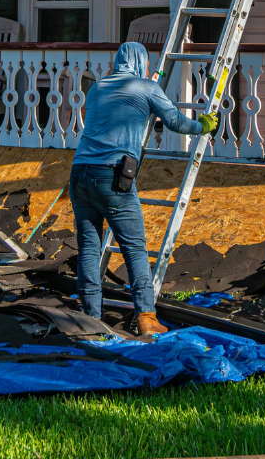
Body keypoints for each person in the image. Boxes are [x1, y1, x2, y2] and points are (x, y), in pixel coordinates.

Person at [69, 42, 218, 334]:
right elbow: (175, 121)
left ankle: (90, 318)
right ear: (140, 63)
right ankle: (147, 319)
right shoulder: (146, 87)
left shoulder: (98, 88)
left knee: (89, 247)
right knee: (135, 248)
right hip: (111, 176)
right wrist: (202, 126)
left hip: (79, 172)